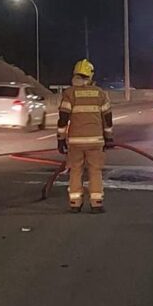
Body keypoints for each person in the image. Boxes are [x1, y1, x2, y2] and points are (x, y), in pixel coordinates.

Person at [58, 59, 114, 213]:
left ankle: (75, 203)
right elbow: (107, 118)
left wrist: (60, 139)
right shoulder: (100, 94)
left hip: (75, 142)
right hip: (95, 141)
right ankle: (96, 203)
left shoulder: (69, 94)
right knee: (95, 171)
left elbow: (63, 118)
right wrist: (109, 137)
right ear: (90, 76)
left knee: (76, 170)